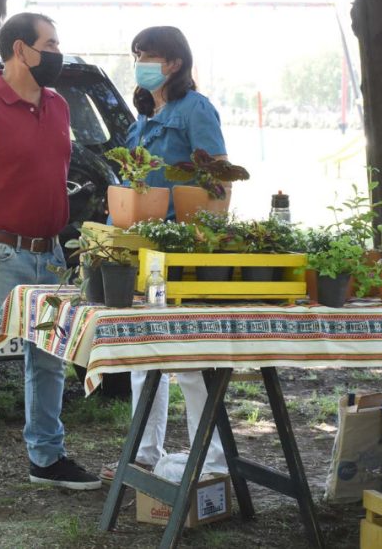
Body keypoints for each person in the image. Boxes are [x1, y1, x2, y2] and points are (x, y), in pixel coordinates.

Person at [0, 12, 101, 524]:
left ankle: (46, 457)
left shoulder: (57, 106)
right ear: (20, 50)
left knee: (50, 358)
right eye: (50, 43)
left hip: (48, 255)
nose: (58, 52)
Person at [100, 25, 229, 480]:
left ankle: (211, 460)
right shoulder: (143, 118)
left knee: (189, 358)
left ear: (173, 62)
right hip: (146, 252)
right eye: (136, 54)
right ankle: (145, 453)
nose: (140, 63)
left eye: (148, 55)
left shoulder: (197, 109)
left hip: (181, 249)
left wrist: (200, 238)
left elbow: (217, 181)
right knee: (145, 354)